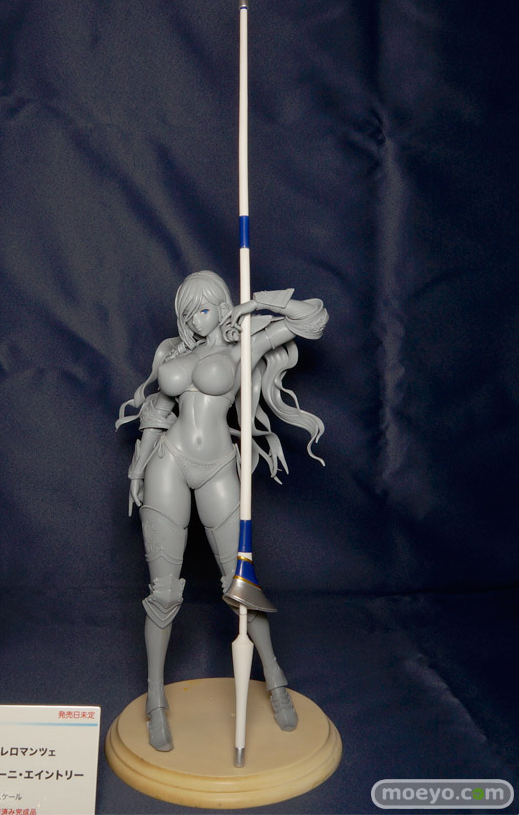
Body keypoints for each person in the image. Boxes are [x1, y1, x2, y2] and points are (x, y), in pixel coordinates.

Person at [117, 270, 328, 751]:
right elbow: (157, 411)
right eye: (187, 312)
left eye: (204, 308)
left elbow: (314, 319)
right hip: (167, 464)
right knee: (163, 593)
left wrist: (256, 305)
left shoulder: (242, 348)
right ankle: (155, 700)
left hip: (216, 467)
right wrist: (136, 469)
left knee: (241, 585)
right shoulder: (173, 353)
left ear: (221, 304)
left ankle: (275, 679)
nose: (195, 319)